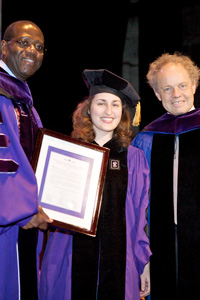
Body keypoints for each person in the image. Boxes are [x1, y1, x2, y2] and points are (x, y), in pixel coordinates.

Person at [39, 69, 151, 300]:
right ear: (89, 109)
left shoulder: (134, 158)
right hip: (70, 254)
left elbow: (139, 218)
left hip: (120, 258)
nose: (109, 111)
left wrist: (144, 261)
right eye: (101, 103)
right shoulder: (67, 152)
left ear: (123, 112)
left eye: (116, 105)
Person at [131, 52, 200, 300]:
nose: (176, 94)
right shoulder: (146, 140)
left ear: (194, 84)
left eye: (182, 85)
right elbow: (136, 205)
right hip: (159, 252)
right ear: (158, 94)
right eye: (167, 88)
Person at [0, 20, 52, 300]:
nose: (32, 50)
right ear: (3, 48)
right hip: (7, 225)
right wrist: (24, 209)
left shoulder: (22, 101)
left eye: (40, 47)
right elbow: (3, 160)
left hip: (23, 225)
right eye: (23, 42)